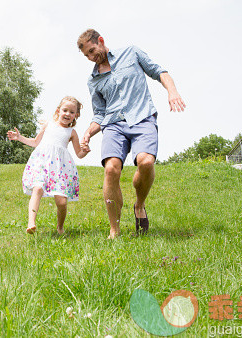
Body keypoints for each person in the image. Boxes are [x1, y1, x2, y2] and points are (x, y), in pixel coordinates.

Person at [77, 29, 186, 239]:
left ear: (101, 41)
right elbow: (99, 114)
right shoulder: (93, 81)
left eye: (92, 51)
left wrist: (172, 92)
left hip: (142, 117)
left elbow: (159, 72)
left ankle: (139, 204)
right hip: (114, 125)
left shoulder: (131, 53)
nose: (91, 57)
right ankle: (114, 230)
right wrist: (88, 132)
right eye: (86, 56)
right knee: (111, 169)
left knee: (145, 163)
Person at [7, 96, 90, 234]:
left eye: (71, 112)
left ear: (76, 115)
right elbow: (35, 142)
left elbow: (79, 154)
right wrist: (19, 138)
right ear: (58, 110)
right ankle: (31, 223)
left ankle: (60, 227)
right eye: (65, 110)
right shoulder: (48, 125)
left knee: (62, 202)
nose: (67, 114)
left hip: (60, 169)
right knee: (38, 188)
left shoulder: (72, 132)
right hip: (42, 164)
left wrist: (85, 151)